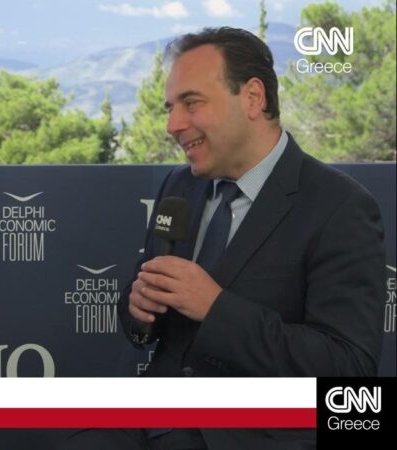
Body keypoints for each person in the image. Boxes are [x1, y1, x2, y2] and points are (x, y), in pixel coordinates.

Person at [64, 27, 385, 450]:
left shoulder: (338, 206)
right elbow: (143, 310)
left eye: (191, 103)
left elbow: (348, 369)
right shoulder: (179, 187)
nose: (173, 125)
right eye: (170, 108)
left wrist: (216, 309)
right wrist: (139, 308)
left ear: (252, 98)